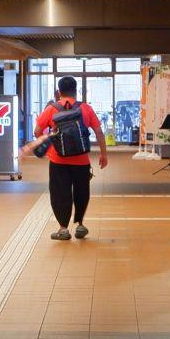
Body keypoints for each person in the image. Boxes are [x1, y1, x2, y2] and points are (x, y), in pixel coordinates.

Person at [31, 75, 108, 240]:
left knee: (60, 193)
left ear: (59, 92)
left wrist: (50, 147)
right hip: (81, 160)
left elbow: (37, 131)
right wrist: (103, 154)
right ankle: (80, 225)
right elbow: (99, 132)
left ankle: (63, 229)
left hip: (58, 160)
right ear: (76, 91)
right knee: (81, 191)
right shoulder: (85, 108)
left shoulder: (51, 109)